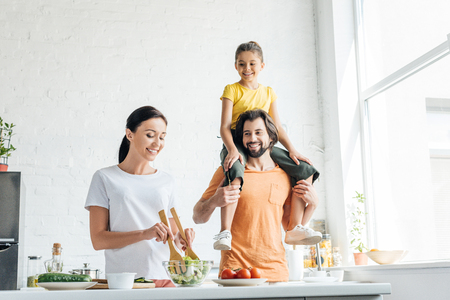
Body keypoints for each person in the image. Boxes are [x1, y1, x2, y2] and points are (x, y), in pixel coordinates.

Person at [215, 41, 321, 250]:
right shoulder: (232, 90)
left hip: (264, 144)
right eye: (241, 64)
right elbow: (224, 127)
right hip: (237, 142)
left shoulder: (268, 92)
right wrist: (233, 150)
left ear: (262, 66)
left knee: (304, 169)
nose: (247, 69)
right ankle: (224, 232)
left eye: (252, 64)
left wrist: (292, 149)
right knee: (235, 171)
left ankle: (295, 228)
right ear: (235, 66)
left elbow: (278, 127)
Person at [193, 109, 320, 281]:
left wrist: (312, 205)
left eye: (258, 132)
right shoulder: (229, 170)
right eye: (247, 134)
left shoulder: (285, 175)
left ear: (271, 137)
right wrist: (214, 201)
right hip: (236, 273)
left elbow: (290, 228)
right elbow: (198, 217)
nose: (252, 139)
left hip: (276, 273)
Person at [85, 106, 195, 288]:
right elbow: (98, 240)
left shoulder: (167, 181)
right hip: (124, 280)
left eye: (162, 137)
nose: (157, 143)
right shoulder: (104, 178)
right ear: (130, 134)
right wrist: (145, 234)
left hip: (165, 277)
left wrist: (182, 239)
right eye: (150, 135)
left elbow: (173, 235)